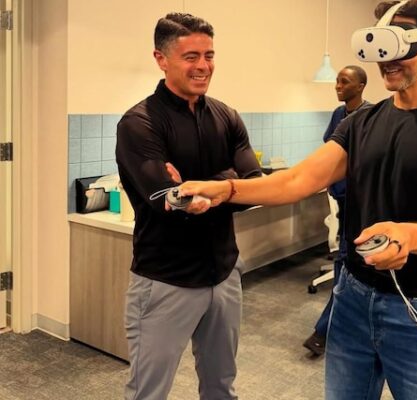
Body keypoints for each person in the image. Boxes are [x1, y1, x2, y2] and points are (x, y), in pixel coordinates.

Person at [177, 1, 417, 399]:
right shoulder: (360, 123)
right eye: (382, 51)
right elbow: (298, 180)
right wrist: (227, 190)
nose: (388, 63)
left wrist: (409, 236)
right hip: (352, 297)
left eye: (400, 49)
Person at [115, 13, 261, 400]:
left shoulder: (227, 117)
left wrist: (201, 188)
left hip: (224, 275)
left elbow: (255, 186)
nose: (203, 66)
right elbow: (168, 200)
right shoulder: (139, 124)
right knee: (148, 392)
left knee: (221, 386)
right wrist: (227, 183)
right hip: (165, 282)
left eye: (209, 55)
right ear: (161, 59)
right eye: (191, 56)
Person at [303, 65, 371, 356]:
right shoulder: (338, 115)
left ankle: (323, 332)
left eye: (345, 81)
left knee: (347, 266)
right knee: (346, 267)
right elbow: (330, 152)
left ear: (361, 86)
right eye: (337, 80)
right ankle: (339, 328)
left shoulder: (370, 116)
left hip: (362, 205)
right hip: (342, 201)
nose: (338, 86)